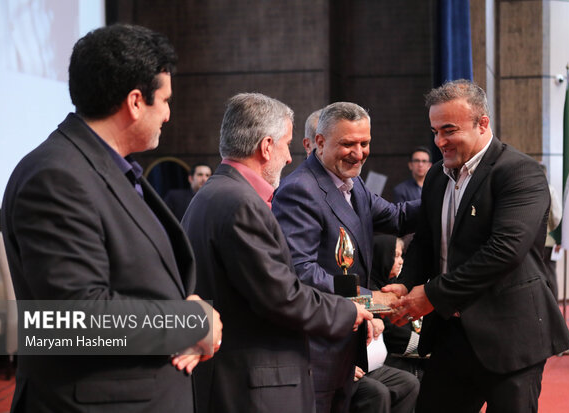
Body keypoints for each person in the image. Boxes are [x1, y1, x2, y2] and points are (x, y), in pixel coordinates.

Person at [0, 24, 221, 413]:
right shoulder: (56, 176)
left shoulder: (106, 168)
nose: (168, 114)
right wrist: (190, 322)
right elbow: (73, 319)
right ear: (136, 102)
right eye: (165, 101)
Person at [384, 79, 569, 412]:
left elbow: (504, 252)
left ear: (482, 123)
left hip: (511, 337)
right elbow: (426, 241)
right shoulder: (436, 176)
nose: (439, 141)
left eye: (449, 130)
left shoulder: (520, 172)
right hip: (450, 335)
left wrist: (430, 295)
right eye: (434, 131)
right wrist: (405, 281)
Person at [181, 93, 373, 413]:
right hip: (253, 386)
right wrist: (349, 312)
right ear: (266, 146)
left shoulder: (213, 193)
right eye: (286, 145)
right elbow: (281, 296)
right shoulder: (239, 203)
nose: (288, 158)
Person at [272, 101, 420, 413]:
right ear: (320, 142)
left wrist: (445, 189)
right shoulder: (301, 189)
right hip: (318, 345)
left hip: (345, 341)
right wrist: (373, 300)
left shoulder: (354, 185)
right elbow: (303, 271)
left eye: (364, 143)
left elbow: (397, 217)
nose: (358, 152)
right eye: (348, 144)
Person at [370, 235, 423, 378]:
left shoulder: (396, 285)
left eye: (401, 256)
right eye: (396, 256)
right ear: (382, 257)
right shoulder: (371, 290)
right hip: (390, 359)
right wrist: (426, 345)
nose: (401, 262)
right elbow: (390, 332)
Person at [540, 163, 562, 301]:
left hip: (534, 241)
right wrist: (558, 238)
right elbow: (556, 216)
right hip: (549, 240)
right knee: (550, 273)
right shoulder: (549, 190)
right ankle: (553, 304)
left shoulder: (531, 190)